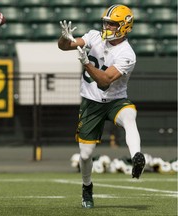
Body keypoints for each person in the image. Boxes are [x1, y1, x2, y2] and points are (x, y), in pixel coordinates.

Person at [58, 4, 146, 209]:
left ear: (125, 26)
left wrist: (87, 63)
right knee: (86, 154)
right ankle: (87, 187)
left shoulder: (127, 54)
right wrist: (64, 37)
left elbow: (105, 81)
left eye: (112, 24)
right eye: (106, 22)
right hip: (91, 102)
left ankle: (137, 157)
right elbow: (64, 46)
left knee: (130, 116)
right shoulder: (94, 36)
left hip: (115, 100)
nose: (107, 26)